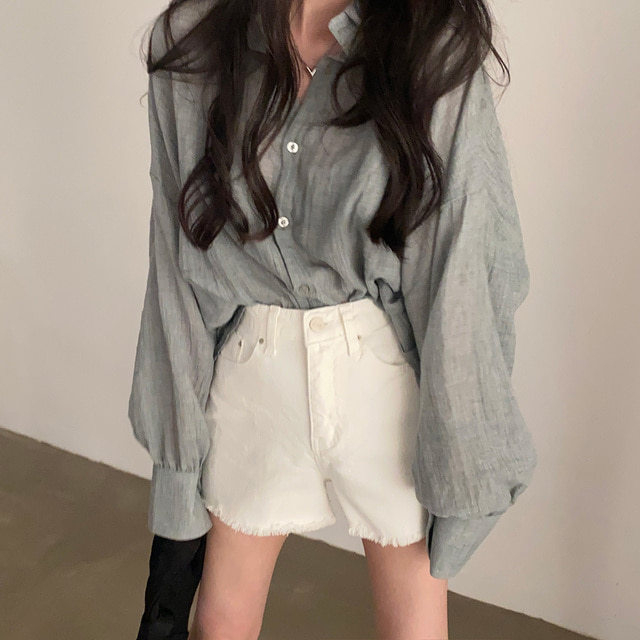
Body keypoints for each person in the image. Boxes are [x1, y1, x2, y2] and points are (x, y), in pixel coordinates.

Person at [129, 0, 538, 638]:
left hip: (384, 381)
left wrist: (464, 457)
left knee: (413, 629)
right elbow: (176, 264)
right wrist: (177, 471)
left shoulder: (430, 39)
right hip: (253, 369)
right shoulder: (194, 38)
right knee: (220, 624)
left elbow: (463, 261)